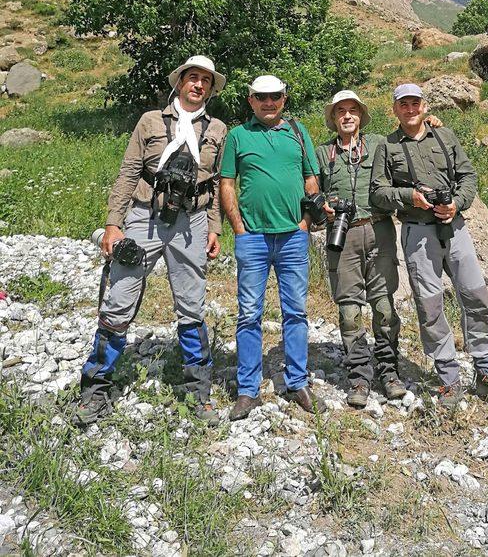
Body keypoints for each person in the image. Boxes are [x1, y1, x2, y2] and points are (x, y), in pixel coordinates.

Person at [76, 55, 228, 426]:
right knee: (118, 300)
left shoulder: (219, 129)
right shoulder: (149, 121)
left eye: (205, 81)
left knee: (192, 306)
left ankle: (198, 392)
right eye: (193, 78)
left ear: (210, 88)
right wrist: (114, 224)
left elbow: (216, 181)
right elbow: (129, 171)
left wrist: (214, 227)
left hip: (191, 221)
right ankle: (96, 388)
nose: (198, 85)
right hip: (144, 217)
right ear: (180, 82)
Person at [370, 83, 488, 409]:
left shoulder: (445, 136)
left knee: (475, 295)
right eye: (403, 104)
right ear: (395, 110)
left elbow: (468, 176)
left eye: (415, 103)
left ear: (424, 107)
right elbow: (378, 192)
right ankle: (449, 378)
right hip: (416, 232)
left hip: (455, 228)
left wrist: (457, 204)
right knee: (430, 306)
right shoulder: (387, 146)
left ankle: (486, 371)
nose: (410, 109)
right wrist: (409, 196)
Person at [220, 75, 321, 420]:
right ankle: (248, 389)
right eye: (261, 97)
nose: (268, 102)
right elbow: (228, 183)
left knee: (296, 312)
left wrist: (305, 223)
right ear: (250, 101)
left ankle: (297, 381)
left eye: (274, 96)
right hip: (253, 238)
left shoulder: (297, 131)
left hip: (293, 237)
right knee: (249, 313)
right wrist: (238, 227)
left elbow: (311, 179)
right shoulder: (238, 136)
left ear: (284, 98)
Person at [315, 90, 407, 408]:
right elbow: (312, 194)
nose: (347, 116)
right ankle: (358, 375)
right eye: (341, 111)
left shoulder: (381, 143)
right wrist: (322, 207)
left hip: (380, 230)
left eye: (353, 110)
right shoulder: (322, 152)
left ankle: (389, 371)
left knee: (383, 308)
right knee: (349, 311)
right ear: (334, 118)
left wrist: (431, 122)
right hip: (343, 236)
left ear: (361, 116)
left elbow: (412, 137)